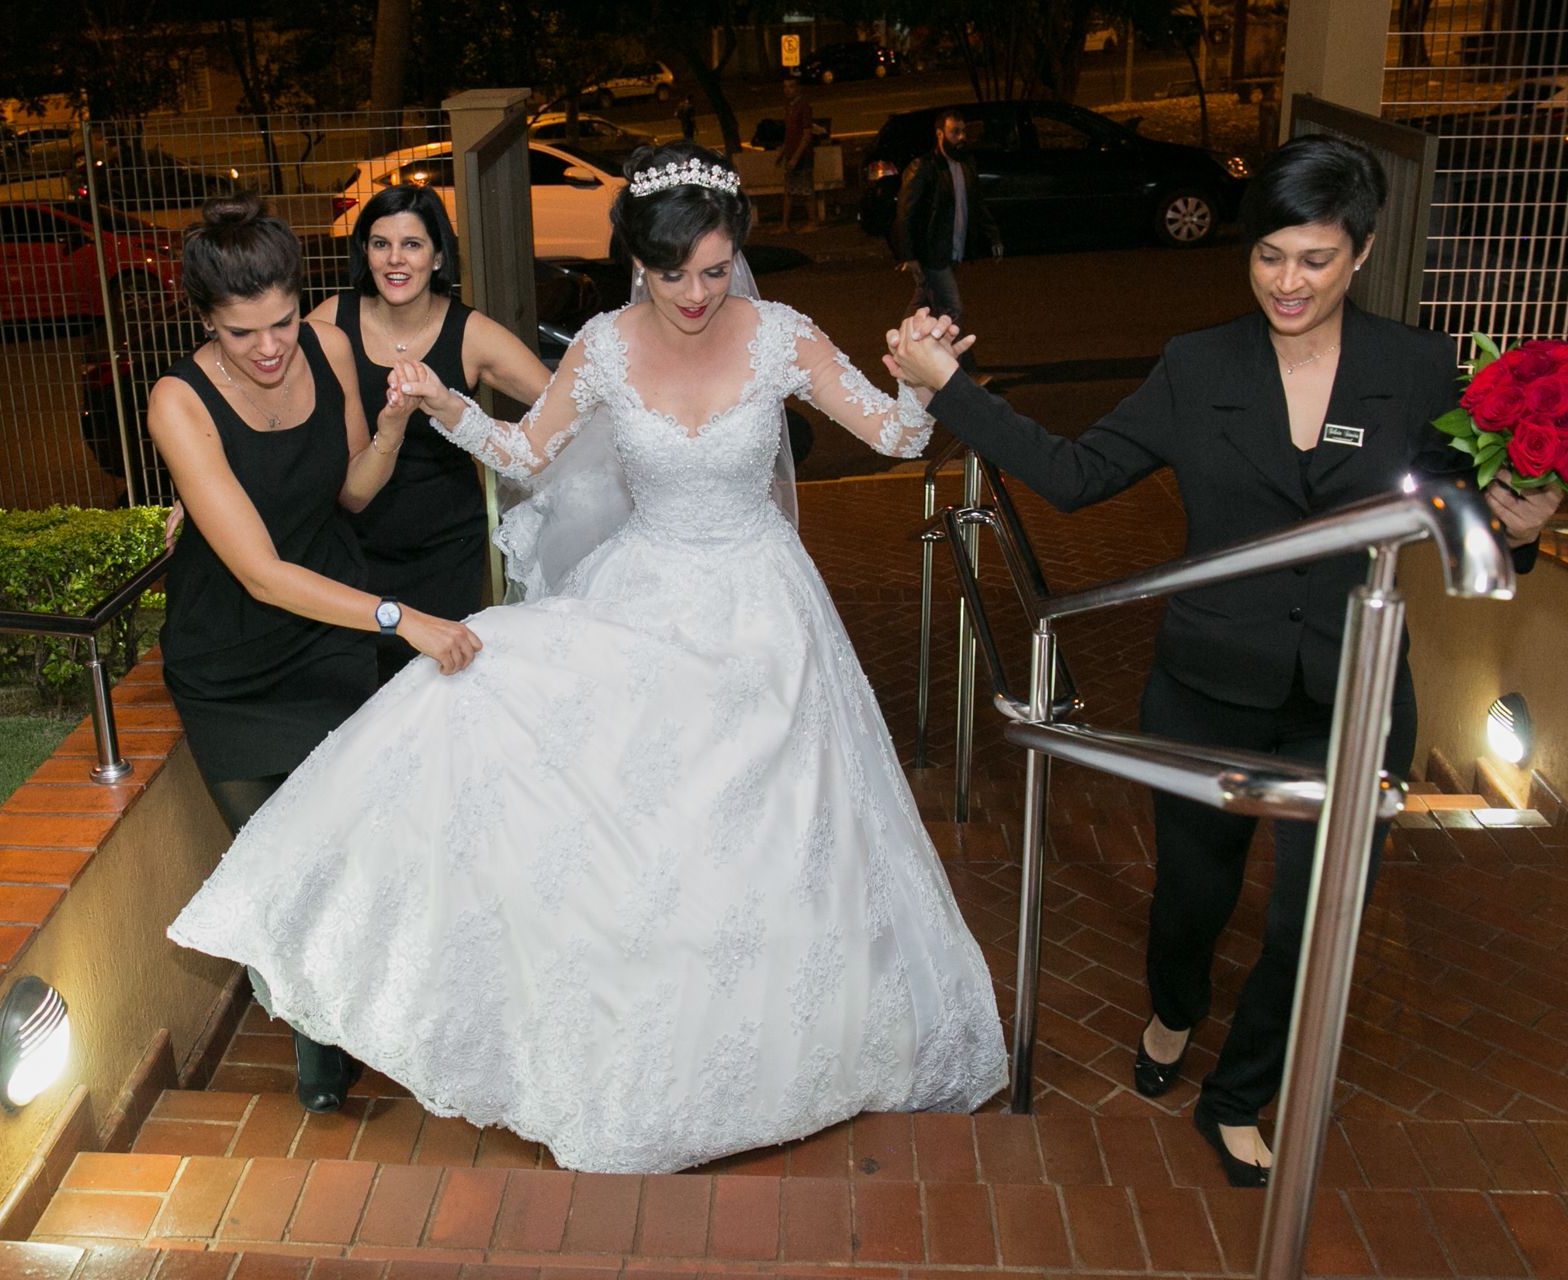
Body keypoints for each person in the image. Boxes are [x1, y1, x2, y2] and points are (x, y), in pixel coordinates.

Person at [167, 142, 1007, 1174]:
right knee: (606, 803)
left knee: (778, 833)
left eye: (714, 270)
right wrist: (445, 407)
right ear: (636, 265)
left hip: (765, 623)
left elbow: (895, 438)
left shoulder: (783, 335)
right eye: (672, 273)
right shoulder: (605, 347)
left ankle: (796, 1037)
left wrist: (921, 387)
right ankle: (651, 1034)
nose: (696, 294)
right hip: (642, 604)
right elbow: (527, 452)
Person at [886, 135, 1563, 1187]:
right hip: (1207, 687)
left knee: (1318, 917)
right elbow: (1075, 474)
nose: (1289, 282)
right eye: (1269, 256)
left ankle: (1239, 1093)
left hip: (1352, 692)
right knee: (1191, 900)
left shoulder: (1419, 370)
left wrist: (1519, 529)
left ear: (1362, 253)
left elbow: (1462, 520)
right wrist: (950, 389)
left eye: (1316, 259)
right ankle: (1175, 1005)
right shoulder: (1199, 366)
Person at [148, 192, 480, 1114]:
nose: (269, 347)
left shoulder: (330, 348)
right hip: (232, 661)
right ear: (205, 322)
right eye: (242, 331)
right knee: (280, 859)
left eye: (282, 320)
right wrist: (402, 618)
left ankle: (353, 1013)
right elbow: (258, 573)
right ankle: (314, 1032)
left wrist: (394, 426)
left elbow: (355, 494)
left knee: (353, 846)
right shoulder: (178, 400)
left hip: (332, 636)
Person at [309, 185, 551, 680]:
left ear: (438, 256)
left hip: (443, 547)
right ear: (365, 252)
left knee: (432, 686)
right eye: (381, 244)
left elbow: (560, 405)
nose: (395, 259)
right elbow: (267, 400)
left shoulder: (471, 333)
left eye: (412, 245)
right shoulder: (333, 319)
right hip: (349, 539)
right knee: (358, 686)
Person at [891, 109, 1001, 375]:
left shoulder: (965, 164)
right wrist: (909, 255)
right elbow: (905, 214)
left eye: (963, 131)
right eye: (955, 132)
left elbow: (976, 204)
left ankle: (901, 352)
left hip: (953, 251)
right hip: (931, 254)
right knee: (952, 308)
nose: (961, 137)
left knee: (922, 305)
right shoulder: (924, 167)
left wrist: (993, 235)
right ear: (940, 134)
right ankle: (964, 372)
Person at [776, 76, 817, 233]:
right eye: (785, 87)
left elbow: (806, 135)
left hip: (802, 156)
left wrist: (795, 157)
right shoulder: (788, 107)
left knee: (806, 189)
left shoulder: (804, 107)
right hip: (791, 154)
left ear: (798, 88)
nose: (788, 90)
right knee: (789, 190)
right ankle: (785, 224)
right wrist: (783, 153)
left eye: (791, 86)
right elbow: (789, 133)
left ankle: (813, 222)